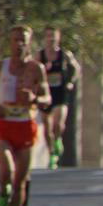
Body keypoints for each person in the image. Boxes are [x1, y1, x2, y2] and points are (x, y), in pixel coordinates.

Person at [0, 25, 48, 206]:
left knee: (20, 181)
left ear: (29, 43)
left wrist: (35, 99)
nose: (19, 44)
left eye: (23, 40)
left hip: (25, 126)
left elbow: (47, 98)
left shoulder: (36, 68)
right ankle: (2, 194)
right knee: (7, 171)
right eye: (15, 40)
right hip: (4, 125)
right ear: (10, 43)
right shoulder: (0, 67)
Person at [37, 25, 79, 171]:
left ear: (58, 38)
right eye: (48, 36)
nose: (51, 39)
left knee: (58, 124)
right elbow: (32, 70)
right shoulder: (39, 56)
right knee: (47, 128)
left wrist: (70, 82)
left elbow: (76, 68)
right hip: (45, 94)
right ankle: (52, 154)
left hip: (60, 92)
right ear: (45, 38)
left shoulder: (64, 54)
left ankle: (58, 139)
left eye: (53, 36)